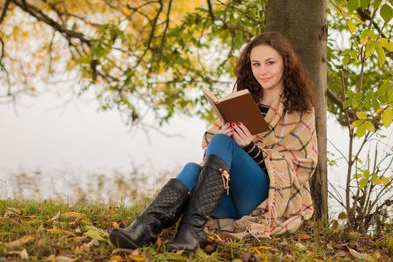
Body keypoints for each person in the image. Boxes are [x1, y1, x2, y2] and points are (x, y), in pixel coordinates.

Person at [109, 31, 318, 252]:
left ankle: (180, 231)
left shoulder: (301, 110)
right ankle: (146, 227)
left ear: (286, 63)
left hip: (264, 202)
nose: (262, 71)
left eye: (270, 63)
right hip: (226, 203)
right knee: (196, 165)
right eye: (256, 64)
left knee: (220, 144)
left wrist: (250, 148)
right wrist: (228, 134)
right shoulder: (245, 98)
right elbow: (212, 144)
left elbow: (299, 169)